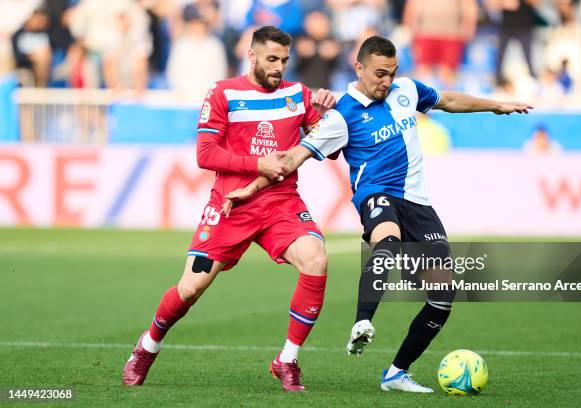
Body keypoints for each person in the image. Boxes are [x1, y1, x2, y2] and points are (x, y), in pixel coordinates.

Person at [221, 35, 532, 393]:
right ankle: (362, 323)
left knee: (443, 295)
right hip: (377, 196)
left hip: (419, 205)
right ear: (359, 68)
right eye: (379, 73)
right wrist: (251, 186)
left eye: (391, 73)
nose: (386, 81)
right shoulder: (342, 115)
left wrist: (496, 105)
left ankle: (397, 373)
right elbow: (294, 157)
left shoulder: (407, 90)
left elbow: (447, 99)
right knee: (388, 241)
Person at [122, 26, 336, 392]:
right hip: (230, 205)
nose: (278, 67)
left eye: (284, 60)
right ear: (252, 56)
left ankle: (287, 359)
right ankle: (148, 346)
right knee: (190, 289)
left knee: (316, 259)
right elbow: (205, 154)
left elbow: (329, 149)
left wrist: (323, 114)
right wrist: (258, 164)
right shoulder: (223, 93)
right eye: (271, 59)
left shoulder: (298, 96)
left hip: (281, 203)